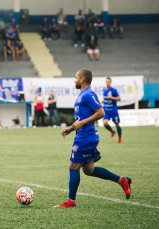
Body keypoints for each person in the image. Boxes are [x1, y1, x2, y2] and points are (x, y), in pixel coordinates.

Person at [53, 69, 131, 208]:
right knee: (89, 170)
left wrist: (82, 123)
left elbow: (101, 112)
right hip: (84, 135)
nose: (74, 80)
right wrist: (70, 129)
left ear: (82, 79)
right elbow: (81, 119)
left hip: (86, 137)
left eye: (76, 77)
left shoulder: (88, 94)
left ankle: (71, 201)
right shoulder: (82, 95)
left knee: (73, 167)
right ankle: (122, 180)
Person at [102, 77, 122, 143]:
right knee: (105, 123)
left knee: (117, 124)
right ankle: (112, 131)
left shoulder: (113, 90)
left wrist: (112, 97)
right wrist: (103, 101)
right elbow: (106, 99)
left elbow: (119, 99)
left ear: (110, 82)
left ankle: (119, 138)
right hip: (106, 111)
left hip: (113, 111)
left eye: (108, 81)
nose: (107, 82)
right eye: (106, 81)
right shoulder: (104, 90)